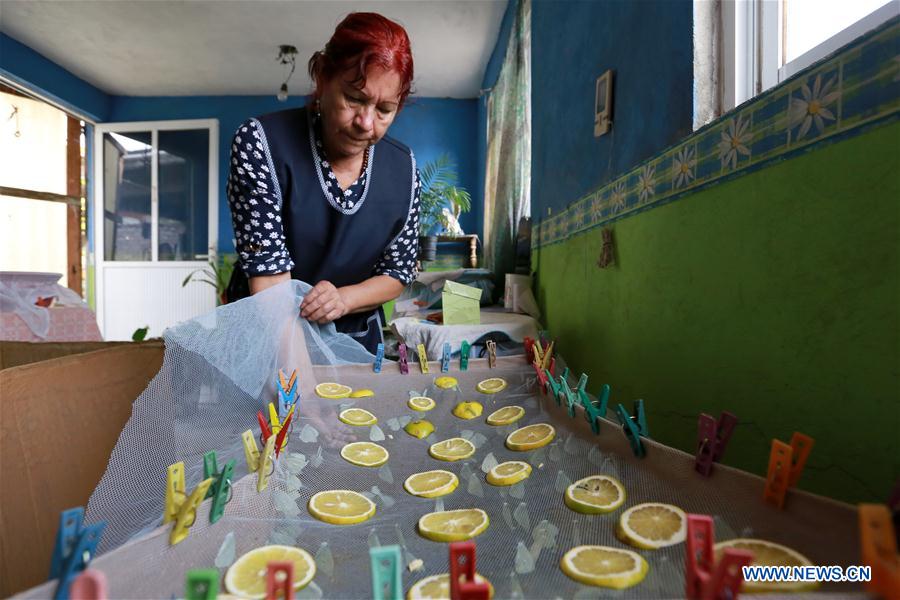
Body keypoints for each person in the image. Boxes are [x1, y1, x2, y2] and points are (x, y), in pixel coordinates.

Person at [226, 12, 420, 354]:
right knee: (283, 409)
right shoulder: (262, 144)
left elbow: (397, 272)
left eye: (384, 110)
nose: (365, 123)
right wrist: (306, 393)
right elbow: (270, 280)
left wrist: (343, 300)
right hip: (266, 341)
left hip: (354, 344)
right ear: (322, 77)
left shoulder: (404, 169)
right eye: (354, 99)